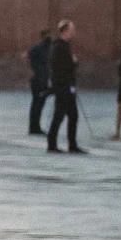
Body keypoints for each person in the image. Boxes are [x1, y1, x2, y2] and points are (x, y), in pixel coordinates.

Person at [46, 18, 85, 153]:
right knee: (59, 115)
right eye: (72, 29)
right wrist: (74, 62)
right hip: (63, 87)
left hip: (67, 87)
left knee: (72, 115)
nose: (74, 32)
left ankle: (72, 145)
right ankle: (52, 144)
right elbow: (61, 68)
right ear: (65, 31)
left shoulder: (63, 45)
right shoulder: (59, 47)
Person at [27, 29, 52, 135]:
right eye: (48, 35)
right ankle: (33, 127)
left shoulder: (49, 48)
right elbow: (27, 57)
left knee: (40, 103)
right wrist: (31, 71)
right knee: (36, 103)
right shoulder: (37, 48)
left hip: (44, 79)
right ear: (43, 36)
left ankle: (36, 126)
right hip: (37, 80)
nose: (50, 37)